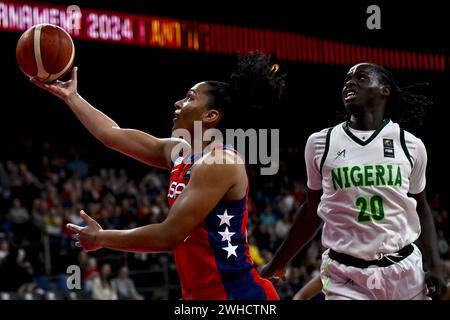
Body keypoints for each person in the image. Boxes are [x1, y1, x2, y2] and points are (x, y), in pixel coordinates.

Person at [31, 52, 284, 300]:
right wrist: (71, 97)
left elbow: (168, 235)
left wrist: (101, 238)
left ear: (211, 116)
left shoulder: (220, 161)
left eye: (189, 98)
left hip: (239, 294)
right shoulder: (180, 152)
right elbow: (112, 134)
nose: (178, 103)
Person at [261, 62, 447, 300]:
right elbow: (311, 210)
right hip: (346, 275)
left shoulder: (409, 144)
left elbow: (421, 205)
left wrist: (435, 266)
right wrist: (278, 262)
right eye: (347, 79)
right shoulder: (321, 143)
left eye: (361, 77)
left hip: (405, 270)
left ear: (384, 90)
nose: (350, 82)